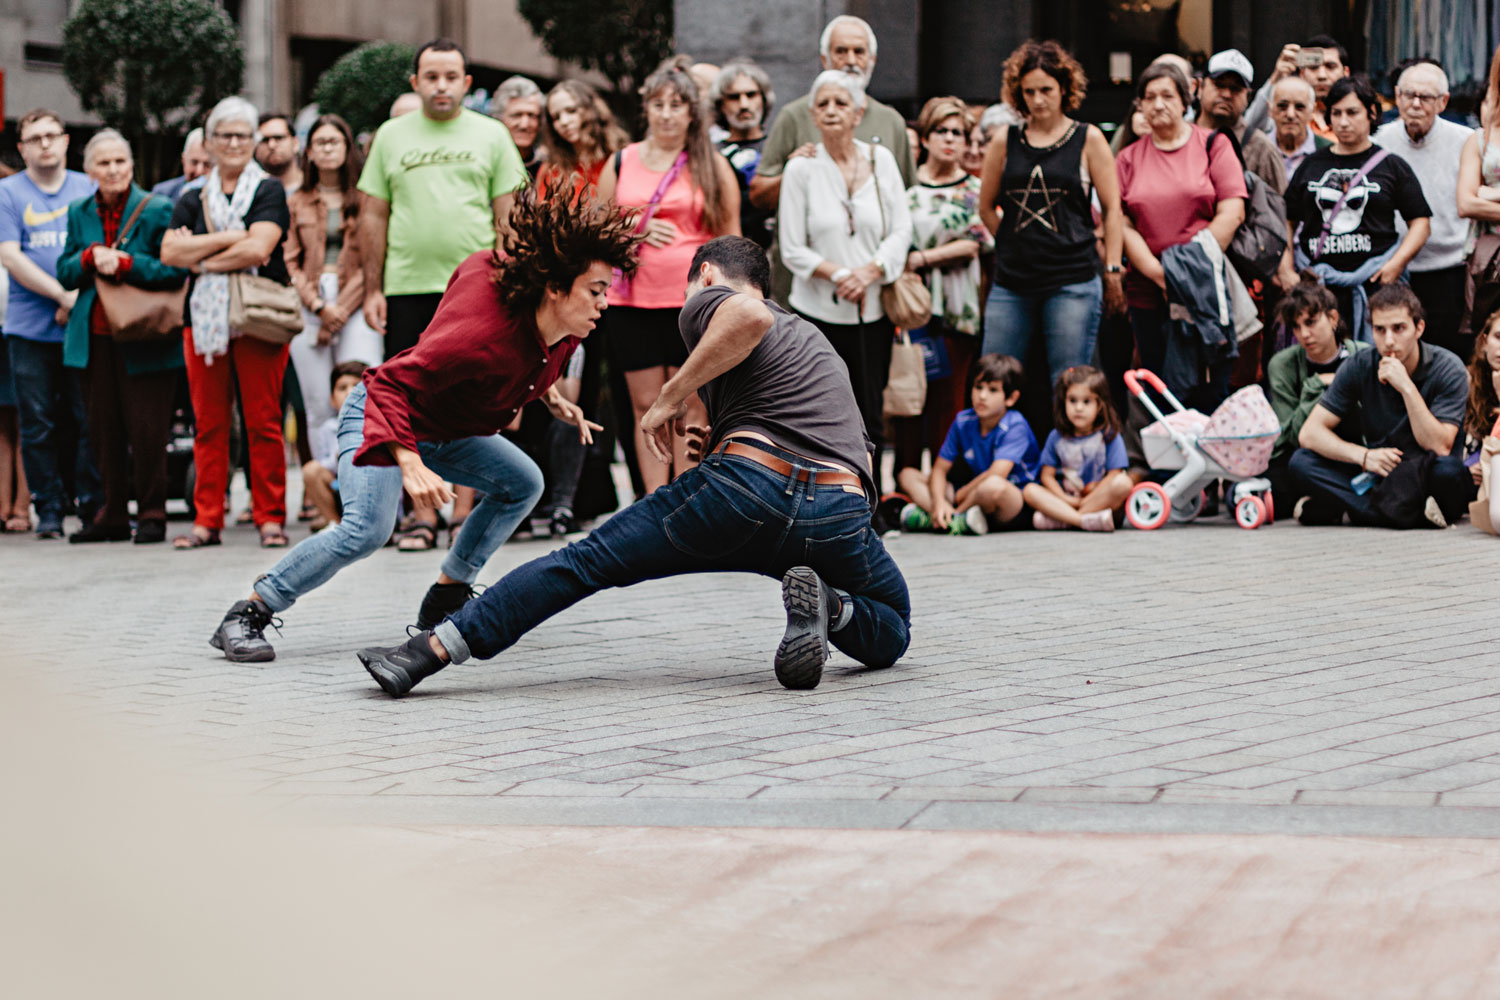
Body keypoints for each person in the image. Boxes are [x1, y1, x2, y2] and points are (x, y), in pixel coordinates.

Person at [354, 235, 911, 697]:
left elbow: (743, 315)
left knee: (584, 562)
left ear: (706, 274)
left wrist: (668, 398)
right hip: (837, 511)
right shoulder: (812, 342)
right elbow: (846, 449)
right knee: (894, 625)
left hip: (743, 493)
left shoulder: (713, 298)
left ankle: (421, 655)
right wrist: (720, 436)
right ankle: (833, 608)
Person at [206, 188, 629, 664]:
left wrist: (548, 396)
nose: (604, 304)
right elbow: (387, 385)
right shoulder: (479, 338)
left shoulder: (564, 333)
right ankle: (249, 612)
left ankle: (447, 597)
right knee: (367, 529)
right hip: (381, 412)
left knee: (523, 482)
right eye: (596, 291)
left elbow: (480, 274)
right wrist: (408, 461)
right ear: (554, 288)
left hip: (443, 428)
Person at [359, 38, 529, 550]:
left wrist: (515, 291)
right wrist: (373, 287)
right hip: (407, 287)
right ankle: (420, 515)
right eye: (430, 77)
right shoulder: (390, 136)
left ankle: (461, 512)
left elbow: (511, 217)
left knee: (467, 403)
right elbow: (372, 215)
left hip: (476, 294)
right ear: (415, 82)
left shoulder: (493, 135)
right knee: (407, 401)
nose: (441, 86)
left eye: (450, 77)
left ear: (466, 84)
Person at [597, 59, 739, 493]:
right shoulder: (621, 162)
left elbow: (733, 241)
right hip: (631, 302)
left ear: (692, 112)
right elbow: (597, 230)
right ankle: (654, 502)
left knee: (691, 405)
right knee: (646, 404)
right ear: (646, 109)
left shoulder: (711, 165)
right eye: (658, 103)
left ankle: (687, 499)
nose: (666, 113)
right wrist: (634, 229)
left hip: (692, 305)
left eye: (677, 104)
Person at [161, 95, 294, 550]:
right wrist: (233, 237)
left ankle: (270, 517)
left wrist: (201, 253)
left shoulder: (269, 190)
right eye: (225, 135)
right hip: (203, 320)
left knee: (263, 421)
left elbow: (260, 250)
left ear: (254, 140)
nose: (234, 142)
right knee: (209, 424)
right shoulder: (190, 195)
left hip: (258, 317)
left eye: (243, 134)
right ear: (210, 142)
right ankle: (207, 520)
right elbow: (168, 253)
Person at [55, 129, 188, 545]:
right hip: (94, 336)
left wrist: (128, 264)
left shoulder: (159, 208)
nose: (113, 170)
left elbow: (175, 271)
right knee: (102, 429)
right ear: (90, 170)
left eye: (120, 162)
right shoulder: (78, 210)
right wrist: (90, 257)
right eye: (104, 163)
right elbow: (64, 271)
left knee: (149, 430)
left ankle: (152, 514)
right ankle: (111, 514)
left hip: (146, 334)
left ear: (131, 166)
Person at [777, 70, 911, 455]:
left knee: (870, 412)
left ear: (858, 113)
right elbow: (791, 247)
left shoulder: (881, 159)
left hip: (873, 313)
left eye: (841, 103)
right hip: (817, 312)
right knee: (818, 413)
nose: (832, 111)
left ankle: (872, 507)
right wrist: (841, 275)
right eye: (823, 105)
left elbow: (901, 229)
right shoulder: (800, 168)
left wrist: (870, 272)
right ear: (813, 116)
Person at [979, 40, 1123, 380]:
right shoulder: (1005, 139)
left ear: (1064, 88)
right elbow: (985, 207)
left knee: (1069, 381)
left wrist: (1113, 267)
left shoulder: (1088, 139)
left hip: (1072, 278)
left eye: (1046, 89)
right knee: (993, 377)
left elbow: (1113, 208)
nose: (1038, 99)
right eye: (1029, 91)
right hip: (1013, 281)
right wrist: (1015, 239)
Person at [749, 15, 916, 304]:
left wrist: (878, 268)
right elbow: (758, 195)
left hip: (872, 293)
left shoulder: (891, 122)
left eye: (859, 51)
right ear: (824, 59)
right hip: (805, 291)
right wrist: (792, 173)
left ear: (872, 59)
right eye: (841, 51)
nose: (850, 60)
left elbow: (907, 203)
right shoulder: (795, 115)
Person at [1117, 63, 1246, 405]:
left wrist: (1188, 269)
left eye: (1167, 95)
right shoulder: (1127, 158)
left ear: (1186, 99)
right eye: (1150, 97)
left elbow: (1232, 210)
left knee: (1210, 381)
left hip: (1205, 286)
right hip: (1148, 289)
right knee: (1159, 382)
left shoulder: (1213, 145)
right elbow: (1120, 222)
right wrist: (1162, 274)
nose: (1158, 104)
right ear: (1139, 105)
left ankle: (1211, 456)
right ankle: (1171, 456)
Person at [1290, 284, 1470, 527]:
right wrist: (1363, 456)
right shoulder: (1360, 364)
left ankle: (1355, 510)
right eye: (1379, 329)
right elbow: (1310, 433)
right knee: (1302, 462)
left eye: (1399, 329)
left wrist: (1406, 386)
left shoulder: (1448, 367)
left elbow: (1439, 446)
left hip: (1426, 471)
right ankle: (1409, 515)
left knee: (1450, 472)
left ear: (1419, 328)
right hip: (1380, 473)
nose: (1388, 341)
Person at [0, 108, 101, 539]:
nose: (44, 143)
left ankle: (93, 505)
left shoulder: (87, 187)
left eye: (51, 135)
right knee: (37, 422)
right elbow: (10, 254)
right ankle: (51, 511)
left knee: (88, 417)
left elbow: (102, 247)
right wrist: (62, 295)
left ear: (65, 141)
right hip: (28, 326)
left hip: (83, 323)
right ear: (21, 148)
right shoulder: (7, 192)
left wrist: (77, 300)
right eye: (34, 137)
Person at [1279, 75, 1431, 343]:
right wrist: (1286, 269)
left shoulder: (1391, 166)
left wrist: (1396, 264)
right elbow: (1286, 221)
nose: (1343, 121)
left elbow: (1420, 222)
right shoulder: (1311, 165)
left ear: (1371, 113)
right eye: (1336, 113)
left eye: (1352, 112)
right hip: (1318, 288)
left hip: (1374, 285)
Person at [892, 97, 993, 478]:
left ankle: (944, 483)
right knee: (909, 392)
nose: (950, 140)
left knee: (949, 399)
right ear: (926, 135)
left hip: (956, 306)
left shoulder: (975, 189)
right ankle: (904, 483)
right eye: (941, 131)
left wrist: (924, 258)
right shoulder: (905, 187)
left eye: (959, 133)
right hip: (910, 306)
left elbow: (978, 242)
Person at [283, 113, 383, 435]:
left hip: (357, 301)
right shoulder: (296, 201)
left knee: (364, 393)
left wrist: (341, 307)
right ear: (308, 151)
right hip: (310, 304)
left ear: (347, 148)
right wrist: (317, 306)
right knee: (317, 404)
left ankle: (360, 478)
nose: (327, 149)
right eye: (320, 143)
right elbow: (289, 262)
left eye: (334, 142)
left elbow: (375, 257)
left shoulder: (368, 199)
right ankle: (323, 482)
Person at [1374, 62, 1475, 359]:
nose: (1415, 104)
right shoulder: (1379, 141)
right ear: (1396, 96)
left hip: (1451, 269)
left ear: (1443, 102)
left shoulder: (1466, 141)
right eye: (1409, 95)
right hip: (1394, 269)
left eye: (1426, 97)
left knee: (1449, 355)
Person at [896, 352, 1039, 535]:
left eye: (993, 390)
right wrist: (940, 502)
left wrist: (960, 498)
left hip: (1011, 499)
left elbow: (997, 474)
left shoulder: (1015, 425)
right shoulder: (963, 421)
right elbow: (939, 469)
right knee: (908, 475)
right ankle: (944, 517)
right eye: (978, 387)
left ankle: (943, 518)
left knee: (993, 485)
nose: (983, 396)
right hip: (971, 494)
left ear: (1011, 398)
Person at [1265, 275, 1368, 514]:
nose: (1304, 334)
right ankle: (1335, 501)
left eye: (1311, 322)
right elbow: (1290, 435)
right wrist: (1315, 388)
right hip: (1305, 457)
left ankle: (1330, 503)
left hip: (1353, 454)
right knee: (1259, 491)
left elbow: (1371, 421)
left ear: (1333, 318)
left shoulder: (1362, 356)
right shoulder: (1283, 364)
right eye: (1296, 327)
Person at [1021, 364, 1131, 531]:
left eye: (1086, 401)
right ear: (1063, 401)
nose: (1078, 408)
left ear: (1099, 405)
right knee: (1030, 490)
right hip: (1067, 501)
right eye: (1072, 400)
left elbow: (1114, 475)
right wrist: (1068, 500)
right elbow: (1047, 477)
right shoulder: (1056, 436)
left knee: (1123, 483)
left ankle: (1064, 519)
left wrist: (1085, 502)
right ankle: (1082, 521)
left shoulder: (1109, 435)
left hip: (1098, 502)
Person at [1197, 49, 1287, 193]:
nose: (1226, 94)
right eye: (1219, 85)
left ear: (1247, 97)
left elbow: (1279, 208)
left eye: (1235, 89)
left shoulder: (1262, 150)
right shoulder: (1180, 135)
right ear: (1199, 88)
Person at [712, 59, 776, 249]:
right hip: (727, 251)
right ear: (721, 104)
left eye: (751, 95)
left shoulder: (779, 146)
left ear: (764, 100)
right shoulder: (711, 153)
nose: (744, 104)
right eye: (733, 97)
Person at [301, 360, 367, 531]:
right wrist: (338, 458)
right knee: (311, 469)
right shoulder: (328, 429)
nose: (350, 393)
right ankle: (336, 525)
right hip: (339, 490)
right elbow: (323, 464)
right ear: (332, 399)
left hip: (367, 491)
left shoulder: (377, 426)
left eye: (357, 386)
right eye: (342, 388)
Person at [536, 80, 628, 202]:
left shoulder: (621, 159)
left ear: (592, 110)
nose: (564, 121)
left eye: (571, 111)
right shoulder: (550, 169)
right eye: (556, 117)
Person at [1245, 36, 1353, 139]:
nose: (1322, 75)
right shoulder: (1286, 112)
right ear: (1302, 73)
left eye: (1330, 67)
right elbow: (1248, 131)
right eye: (1313, 67)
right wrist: (1276, 78)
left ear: (1346, 72)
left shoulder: (1357, 114)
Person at [0, 162, 29, 533]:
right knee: (2, 425)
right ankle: (3, 505)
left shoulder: (17, 219)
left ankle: (23, 506)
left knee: (26, 422)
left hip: (19, 329)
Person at [1269, 76, 1331, 181]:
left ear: (1312, 111)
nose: (1290, 114)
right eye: (1282, 106)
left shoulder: (1329, 152)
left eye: (1299, 107)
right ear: (1270, 109)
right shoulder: (1255, 149)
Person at [489, 75, 546, 177]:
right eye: (516, 115)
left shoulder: (550, 168)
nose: (524, 125)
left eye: (532, 115)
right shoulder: (486, 163)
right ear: (499, 118)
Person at [152, 128, 212, 203]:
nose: (200, 170)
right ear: (184, 160)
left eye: (207, 164)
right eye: (194, 162)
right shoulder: (163, 193)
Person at [255, 112, 302, 194]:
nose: (271, 145)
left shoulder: (315, 187)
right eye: (265, 140)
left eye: (278, 138)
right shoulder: (249, 192)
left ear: (295, 143)